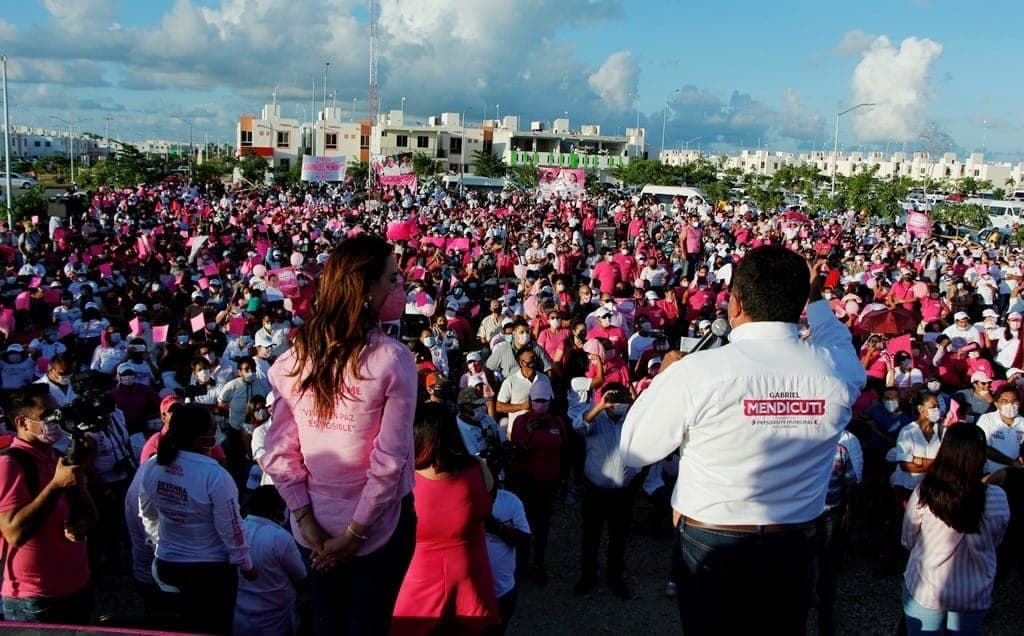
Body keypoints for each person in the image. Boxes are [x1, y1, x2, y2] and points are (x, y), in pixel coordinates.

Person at [619, 247, 866, 634]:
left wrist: (665, 376)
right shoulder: (836, 370)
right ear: (799, 303)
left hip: (712, 541)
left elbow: (634, 448)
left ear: (734, 303)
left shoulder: (699, 372)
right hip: (795, 542)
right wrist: (815, 296)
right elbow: (836, 337)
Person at [262, 235, 418, 636]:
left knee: (325, 622)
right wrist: (353, 535)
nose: (398, 287)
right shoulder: (393, 360)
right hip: (378, 528)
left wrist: (305, 518)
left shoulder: (295, 358)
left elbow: (279, 450)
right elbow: (388, 462)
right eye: (391, 278)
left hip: (312, 525)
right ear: (366, 288)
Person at [138, 404, 257, 635]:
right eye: (213, 428)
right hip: (209, 572)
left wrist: (157, 543)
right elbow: (231, 528)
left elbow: (147, 513)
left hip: (167, 565)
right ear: (199, 436)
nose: (216, 434)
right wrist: (246, 564)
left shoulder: (153, 466)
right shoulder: (214, 475)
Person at [391, 402, 500, 635]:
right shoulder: (477, 469)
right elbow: (487, 504)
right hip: (472, 581)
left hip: (420, 586)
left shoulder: (402, 481)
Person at [0, 384, 97, 624]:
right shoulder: (9, 465)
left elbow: (92, 515)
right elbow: (13, 532)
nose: (56, 421)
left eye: (58, 412)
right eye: (47, 416)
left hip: (77, 585)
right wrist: (56, 485)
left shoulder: (56, 457)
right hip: (34, 599)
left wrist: (82, 522)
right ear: (22, 423)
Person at [902, 424, 1010, 635]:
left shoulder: (926, 492)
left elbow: (908, 537)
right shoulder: (997, 497)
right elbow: (996, 539)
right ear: (980, 457)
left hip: (926, 588)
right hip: (974, 592)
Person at [572, 382, 642, 599]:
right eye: (614, 400)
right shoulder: (595, 420)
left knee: (618, 537)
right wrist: (601, 405)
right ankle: (588, 577)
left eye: (621, 400)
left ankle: (615, 577)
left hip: (622, 492)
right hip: (596, 491)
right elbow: (578, 426)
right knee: (591, 536)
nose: (618, 404)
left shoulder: (631, 422)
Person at [233, 485, 308, 636]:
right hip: (274, 622)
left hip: (239, 619)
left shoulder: (235, 532)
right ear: (276, 510)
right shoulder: (279, 537)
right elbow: (302, 576)